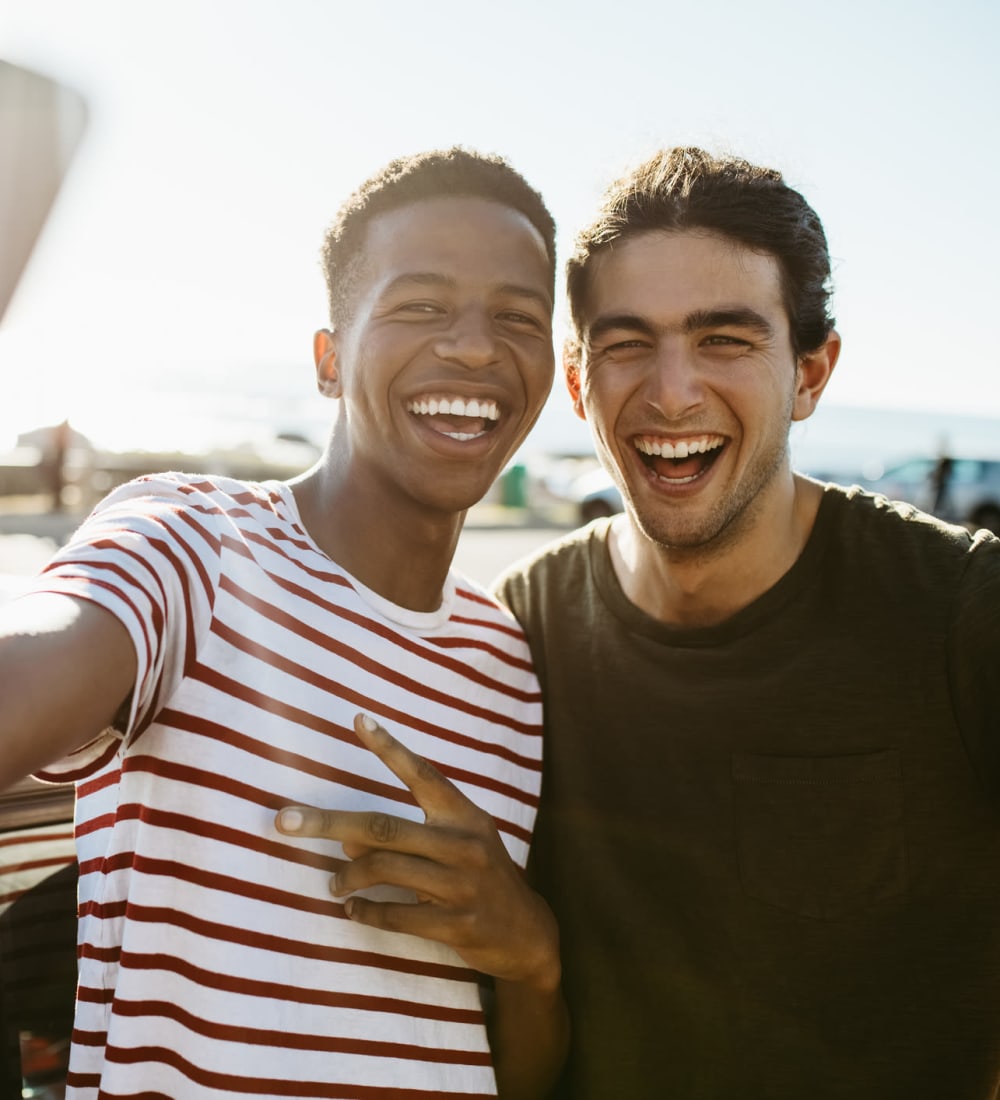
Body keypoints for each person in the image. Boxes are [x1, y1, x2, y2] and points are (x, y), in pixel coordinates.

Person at [0, 148, 566, 1098]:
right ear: (329, 359)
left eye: (518, 317)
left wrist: (535, 955)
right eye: (420, 306)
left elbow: (520, 1076)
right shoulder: (195, 544)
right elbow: (36, 666)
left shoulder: (512, 664)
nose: (475, 348)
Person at [495, 147, 1000, 1098]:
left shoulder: (964, 615)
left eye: (724, 339)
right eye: (627, 342)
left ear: (812, 373)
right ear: (576, 381)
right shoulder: (518, 631)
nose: (672, 391)